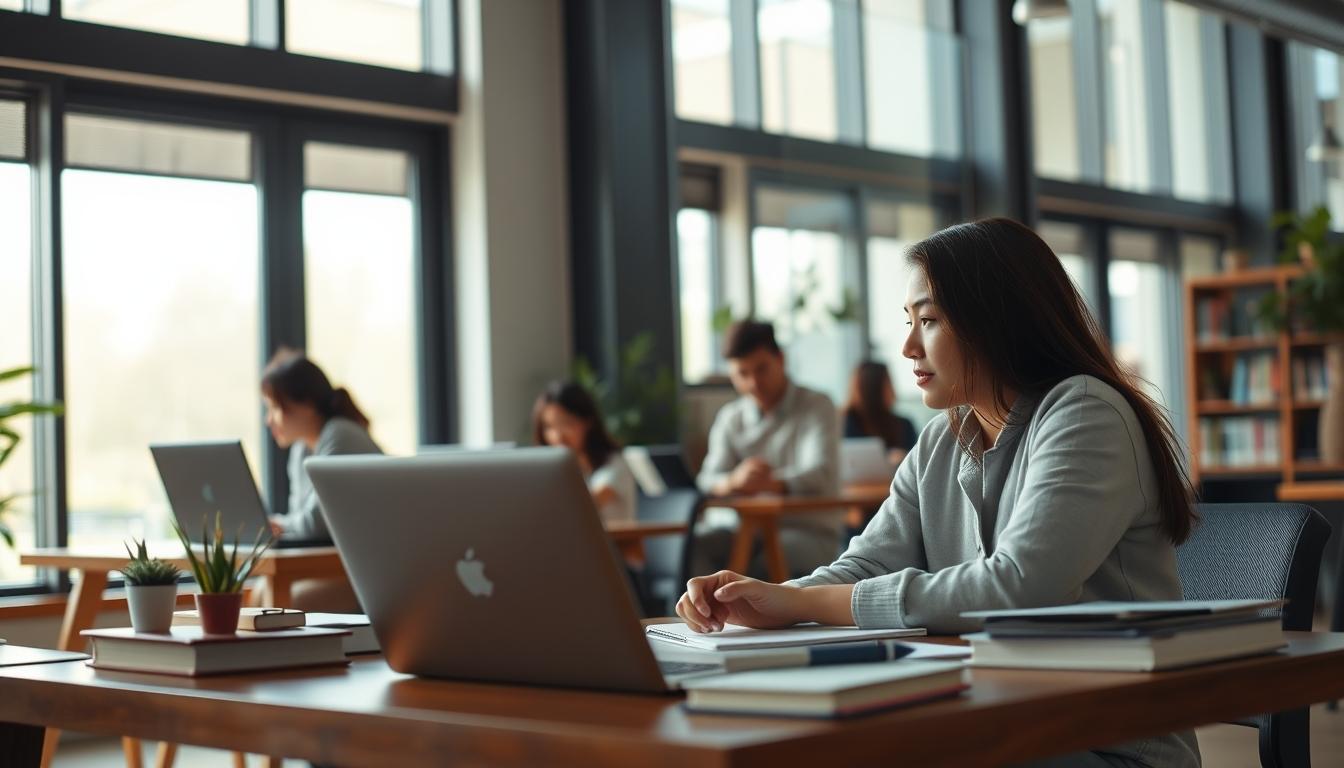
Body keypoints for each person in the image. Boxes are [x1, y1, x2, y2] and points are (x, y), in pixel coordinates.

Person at [678, 219, 1201, 768]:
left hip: (1106, 743)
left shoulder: (1085, 412)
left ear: (996, 319)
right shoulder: (939, 441)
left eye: (928, 320)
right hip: (995, 721)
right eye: (909, 321)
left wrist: (804, 603)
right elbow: (866, 565)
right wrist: (767, 599)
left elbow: (1018, 587)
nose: (907, 346)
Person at [694, 320, 841, 578]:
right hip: (744, 531)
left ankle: (734, 616)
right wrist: (733, 481)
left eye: (761, 369)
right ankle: (704, 618)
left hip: (808, 532)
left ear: (781, 359)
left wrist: (770, 483)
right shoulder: (731, 418)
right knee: (693, 548)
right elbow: (706, 479)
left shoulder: (818, 406)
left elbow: (822, 472)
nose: (753, 383)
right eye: (742, 373)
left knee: (756, 568)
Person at [262, 348, 382, 612]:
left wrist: (276, 524)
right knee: (260, 594)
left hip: (371, 576)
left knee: (284, 603)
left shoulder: (340, 436)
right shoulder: (302, 449)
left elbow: (314, 524)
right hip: (341, 566)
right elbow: (301, 520)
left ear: (305, 404)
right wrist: (281, 525)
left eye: (275, 408)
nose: (269, 420)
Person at [532, 380, 636, 525]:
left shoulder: (614, 465)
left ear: (588, 422)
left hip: (611, 546)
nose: (558, 436)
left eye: (566, 423)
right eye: (549, 427)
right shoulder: (557, 472)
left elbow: (582, 507)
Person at [842, 360, 918, 465]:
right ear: (874, 390)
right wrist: (886, 458)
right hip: (855, 481)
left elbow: (918, 462)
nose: (893, 389)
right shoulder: (845, 422)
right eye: (888, 383)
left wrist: (904, 457)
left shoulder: (904, 424)